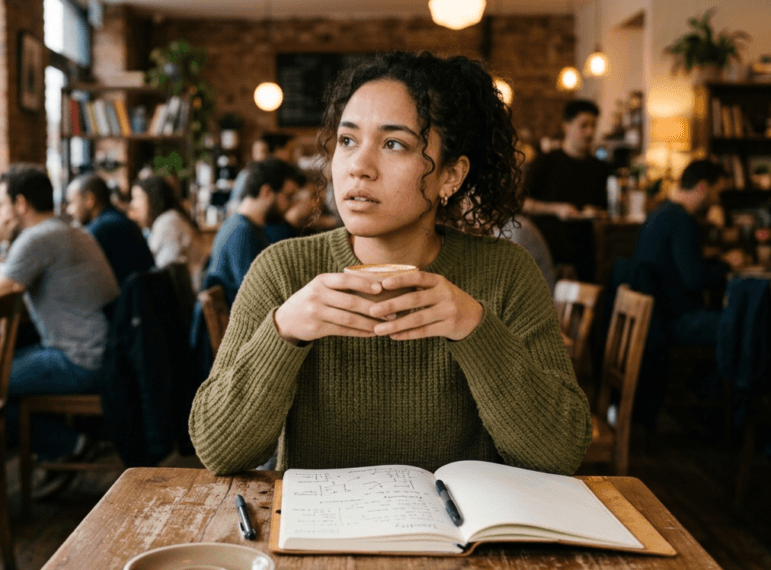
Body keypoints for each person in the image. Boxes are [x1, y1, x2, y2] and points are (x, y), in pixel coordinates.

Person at [189, 51, 591, 476]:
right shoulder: (283, 269)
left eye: (394, 144)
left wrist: (476, 328)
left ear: (450, 176)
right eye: (347, 141)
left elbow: (561, 454)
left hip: (465, 541)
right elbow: (218, 451)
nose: (358, 167)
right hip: (319, 537)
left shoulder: (506, 273)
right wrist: (284, 330)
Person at [0, 164, 119, 471]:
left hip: (79, 360)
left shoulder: (37, 238)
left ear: (21, 204)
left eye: (2, 203)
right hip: (102, 350)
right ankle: (62, 444)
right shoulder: (67, 229)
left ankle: (68, 444)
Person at [633, 160, 743, 346]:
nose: (717, 200)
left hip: (656, 317)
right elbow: (695, 280)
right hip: (677, 321)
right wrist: (728, 265)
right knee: (749, 327)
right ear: (703, 187)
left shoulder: (659, 214)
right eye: (716, 192)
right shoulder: (683, 221)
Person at [203, 158, 304, 307]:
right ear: (267, 192)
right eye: (288, 196)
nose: (291, 205)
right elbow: (257, 300)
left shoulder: (241, 225)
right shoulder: (242, 233)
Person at [522, 99, 609, 219]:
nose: (590, 132)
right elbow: (523, 203)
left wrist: (597, 213)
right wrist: (555, 209)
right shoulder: (545, 161)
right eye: (583, 125)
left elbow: (605, 209)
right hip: (547, 236)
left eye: (593, 125)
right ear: (566, 126)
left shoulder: (600, 167)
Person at [66, 173, 154, 287]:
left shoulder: (101, 229)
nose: (69, 210)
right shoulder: (119, 219)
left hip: (124, 302)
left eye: (72, 202)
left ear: (89, 200)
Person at [128, 175, 206, 290]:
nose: (132, 204)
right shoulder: (169, 219)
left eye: (137, 197)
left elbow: (164, 274)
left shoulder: (168, 222)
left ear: (153, 198)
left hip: (190, 298)